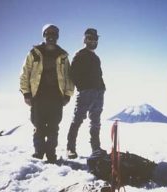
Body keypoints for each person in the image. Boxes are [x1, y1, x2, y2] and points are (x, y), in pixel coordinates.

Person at [20, 24, 74, 163]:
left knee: (53, 127)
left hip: (56, 97)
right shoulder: (34, 53)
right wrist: (26, 93)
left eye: (54, 34)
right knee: (38, 126)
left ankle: (51, 154)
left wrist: (67, 95)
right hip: (38, 96)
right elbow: (25, 73)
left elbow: (69, 76)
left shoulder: (63, 56)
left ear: (57, 36)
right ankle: (38, 152)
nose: (51, 36)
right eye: (48, 33)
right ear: (44, 35)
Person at [66, 28, 106, 159]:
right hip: (86, 93)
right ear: (85, 39)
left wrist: (101, 88)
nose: (93, 41)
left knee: (96, 121)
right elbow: (72, 74)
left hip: (99, 93)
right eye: (90, 38)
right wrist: (83, 88)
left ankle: (96, 148)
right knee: (78, 119)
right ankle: (70, 148)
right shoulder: (80, 54)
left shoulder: (96, 58)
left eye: (95, 39)